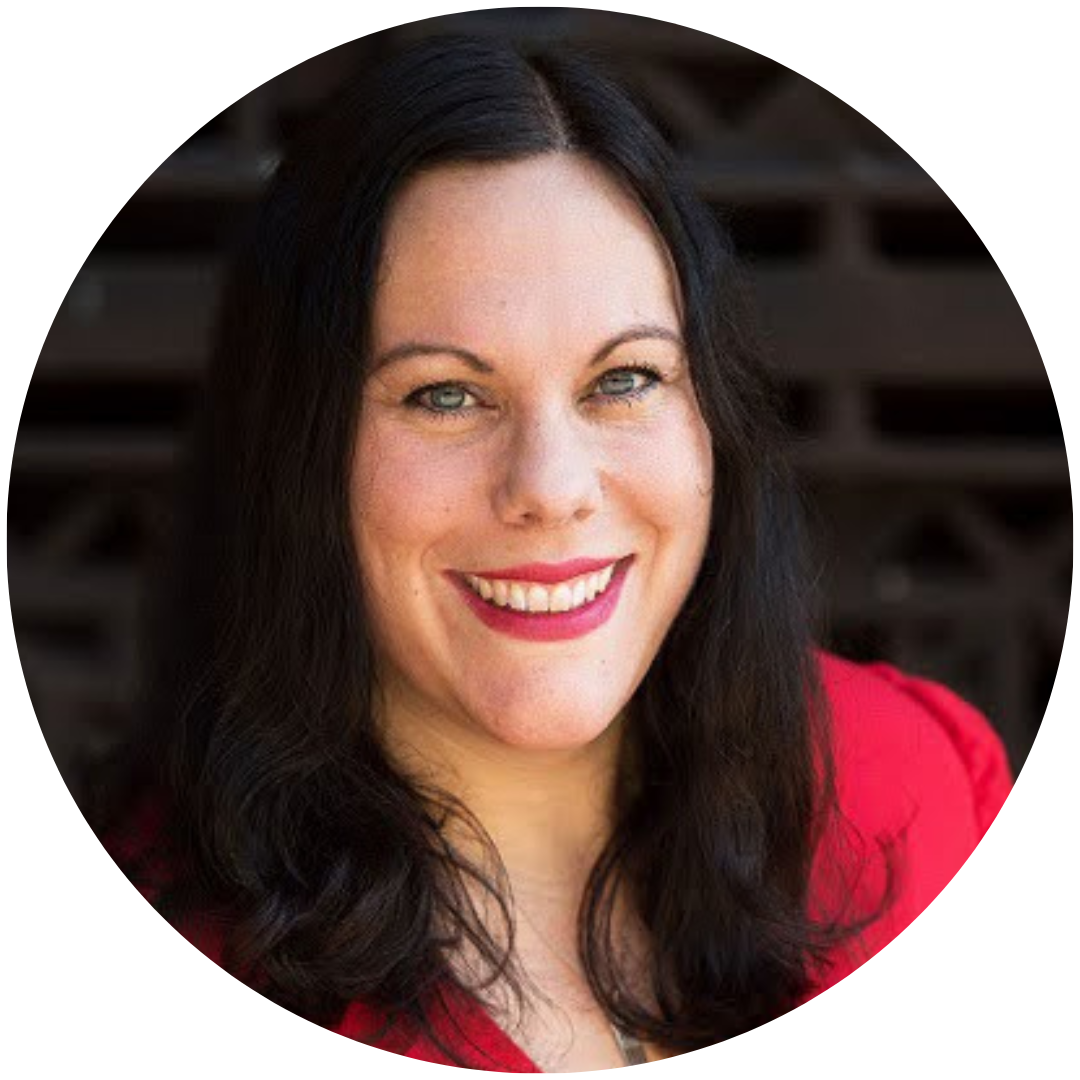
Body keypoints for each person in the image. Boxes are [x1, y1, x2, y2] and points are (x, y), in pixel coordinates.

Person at [84, 33, 1014, 1072]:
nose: (551, 487)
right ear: (297, 453)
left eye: (624, 380)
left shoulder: (914, 782)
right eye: (446, 395)